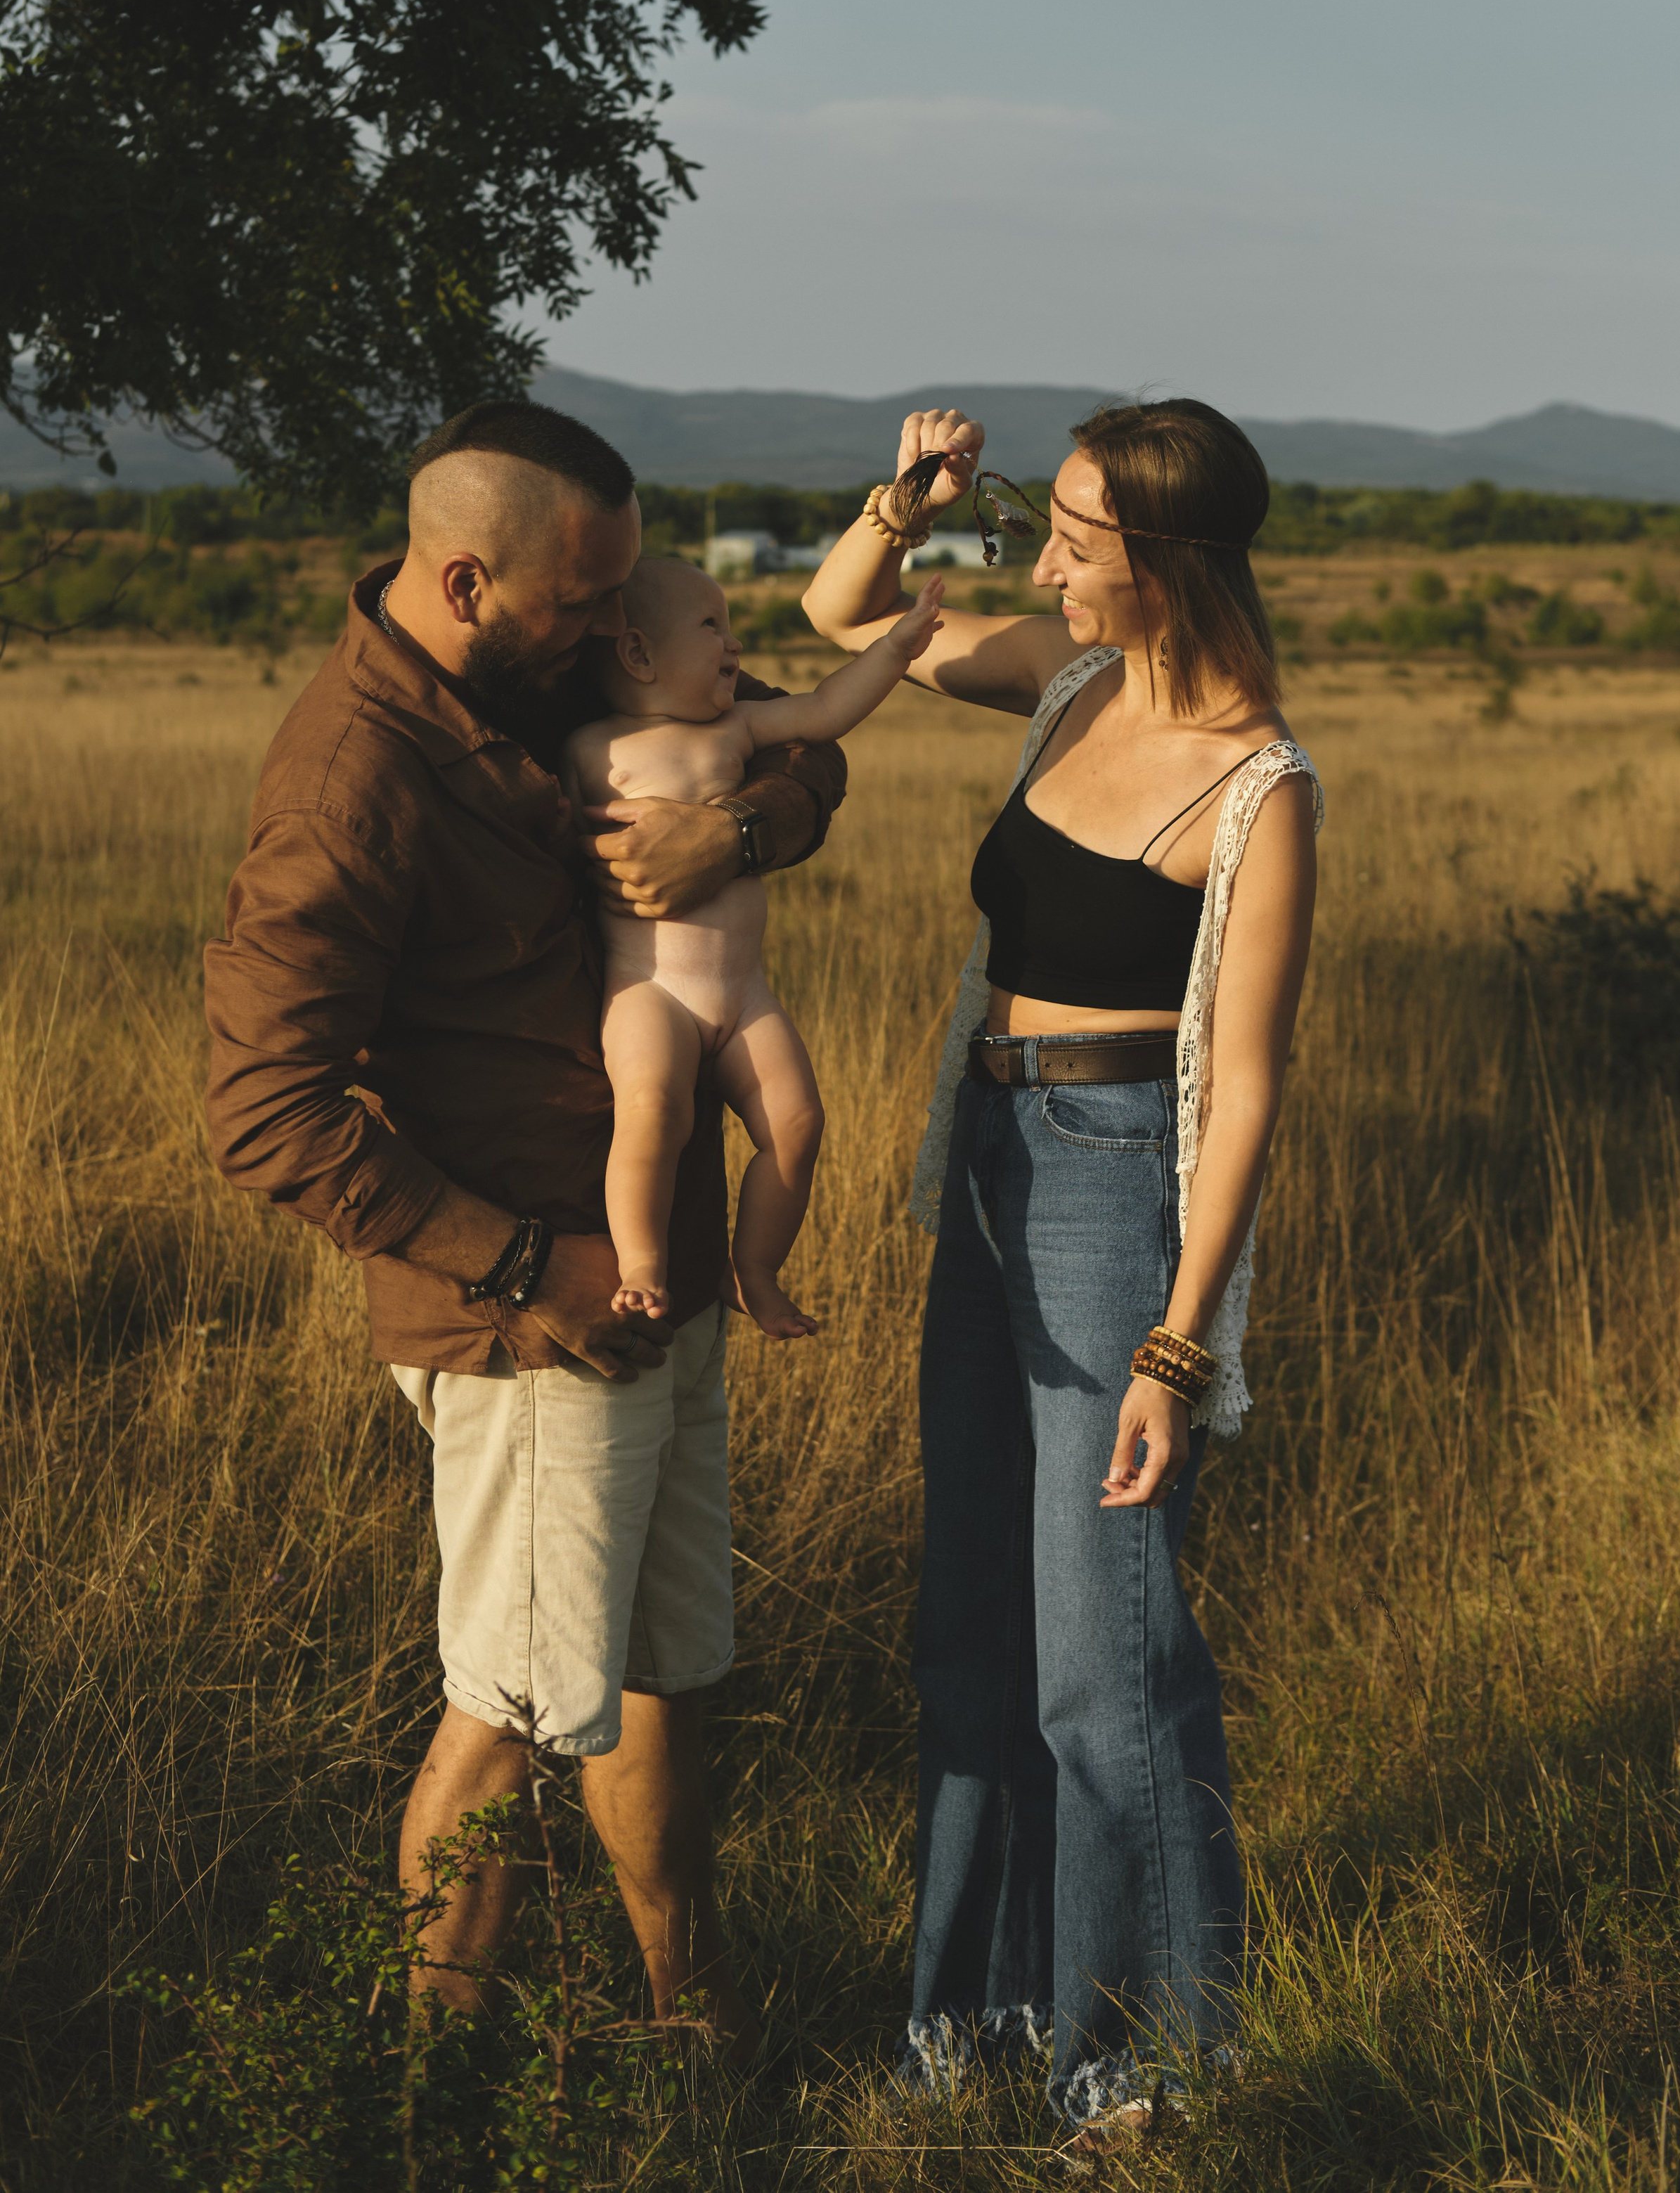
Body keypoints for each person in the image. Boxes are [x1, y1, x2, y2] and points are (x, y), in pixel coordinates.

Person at [204, 399, 848, 2066]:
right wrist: (524, 1267)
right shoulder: (349, 783)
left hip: (665, 1275)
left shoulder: (540, 662)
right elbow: (263, 1108)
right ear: (473, 580)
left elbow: (792, 741)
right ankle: (439, 2098)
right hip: (533, 1320)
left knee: (654, 1671)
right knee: (505, 1713)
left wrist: (748, 826)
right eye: (581, 609)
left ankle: (688, 2028)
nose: (606, 641)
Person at [803, 397, 1322, 2151]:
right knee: (970, 1627)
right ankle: (977, 2012)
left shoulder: (1255, 785)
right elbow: (843, 623)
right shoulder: (1067, 681)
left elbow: (1238, 1086)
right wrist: (905, 498)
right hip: (982, 1166)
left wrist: (1181, 1351)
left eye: (1074, 540)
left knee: (1105, 1653)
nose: (1041, 562)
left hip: (1111, 1200)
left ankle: (1149, 2063)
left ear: (1159, 559)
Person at [564, 558, 944, 1334]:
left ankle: (756, 1270)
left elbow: (826, 710)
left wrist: (895, 650)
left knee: (798, 1124)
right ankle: (641, 1262)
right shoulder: (590, 749)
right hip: (651, 989)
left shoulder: (736, 725)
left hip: (744, 993)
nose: (735, 644)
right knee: (651, 1110)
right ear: (637, 654)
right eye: (712, 627)